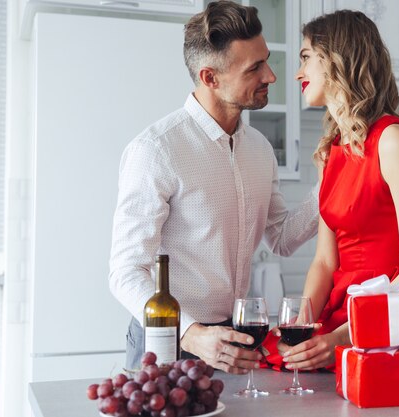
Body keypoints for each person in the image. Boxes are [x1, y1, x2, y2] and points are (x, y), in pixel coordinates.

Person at [109, 0, 319, 375]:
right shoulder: (156, 150)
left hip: (233, 340)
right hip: (169, 342)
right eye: (255, 68)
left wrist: (333, 181)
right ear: (210, 78)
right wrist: (191, 335)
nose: (271, 76)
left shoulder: (259, 148)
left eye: (266, 61)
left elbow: (281, 238)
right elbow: (125, 272)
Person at [263, 10, 399, 371]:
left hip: (380, 325)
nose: (298, 73)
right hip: (339, 318)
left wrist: (345, 335)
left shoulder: (393, 141)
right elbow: (326, 261)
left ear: (339, 59)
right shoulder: (332, 151)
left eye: (306, 58)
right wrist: (300, 326)